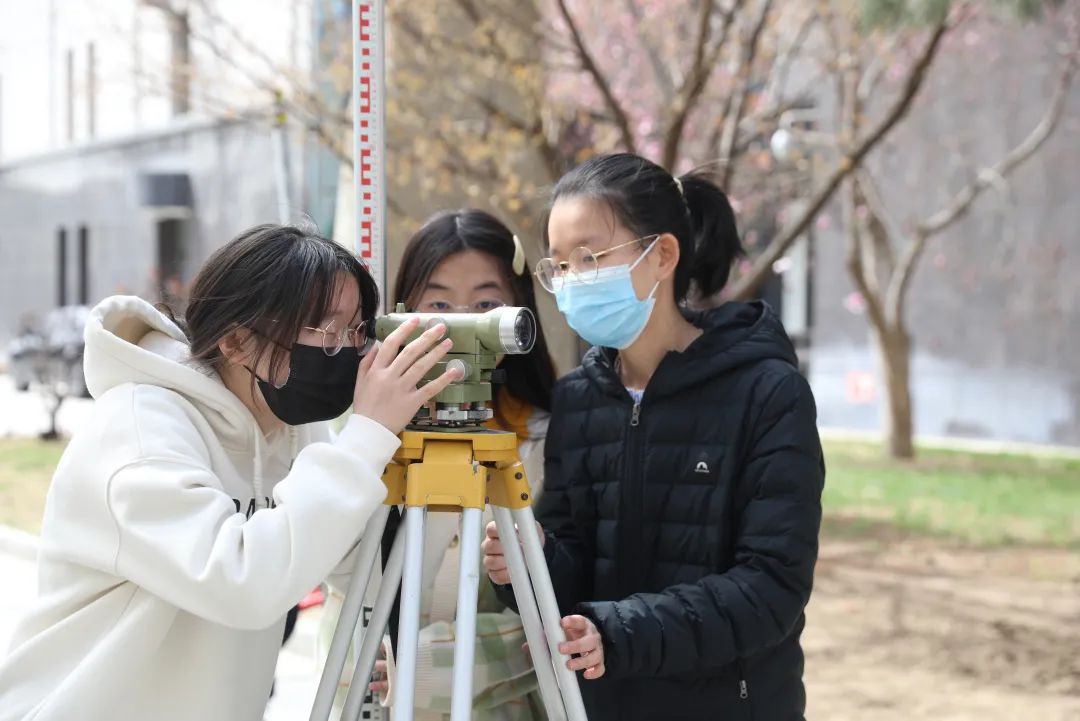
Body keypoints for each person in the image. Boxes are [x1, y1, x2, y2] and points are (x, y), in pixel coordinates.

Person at [0, 223, 462, 721]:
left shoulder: (291, 426)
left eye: (356, 331)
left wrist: (429, 459)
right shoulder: (139, 433)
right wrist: (366, 436)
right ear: (237, 341)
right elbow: (243, 584)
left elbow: (374, 576)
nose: (348, 351)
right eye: (327, 331)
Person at [481, 153, 825, 721]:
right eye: (560, 265)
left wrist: (616, 633)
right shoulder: (580, 398)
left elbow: (771, 586)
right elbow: (573, 566)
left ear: (662, 254)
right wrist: (531, 558)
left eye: (589, 257)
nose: (572, 282)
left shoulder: (767, 393)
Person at [316, 209, 557, 720]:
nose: (457, 324)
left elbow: (557, 612)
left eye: (485, 305)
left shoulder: (543, 436)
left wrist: (432, 662)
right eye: (440, 303)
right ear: (405, 311)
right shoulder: (360, 430)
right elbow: (338, 575)